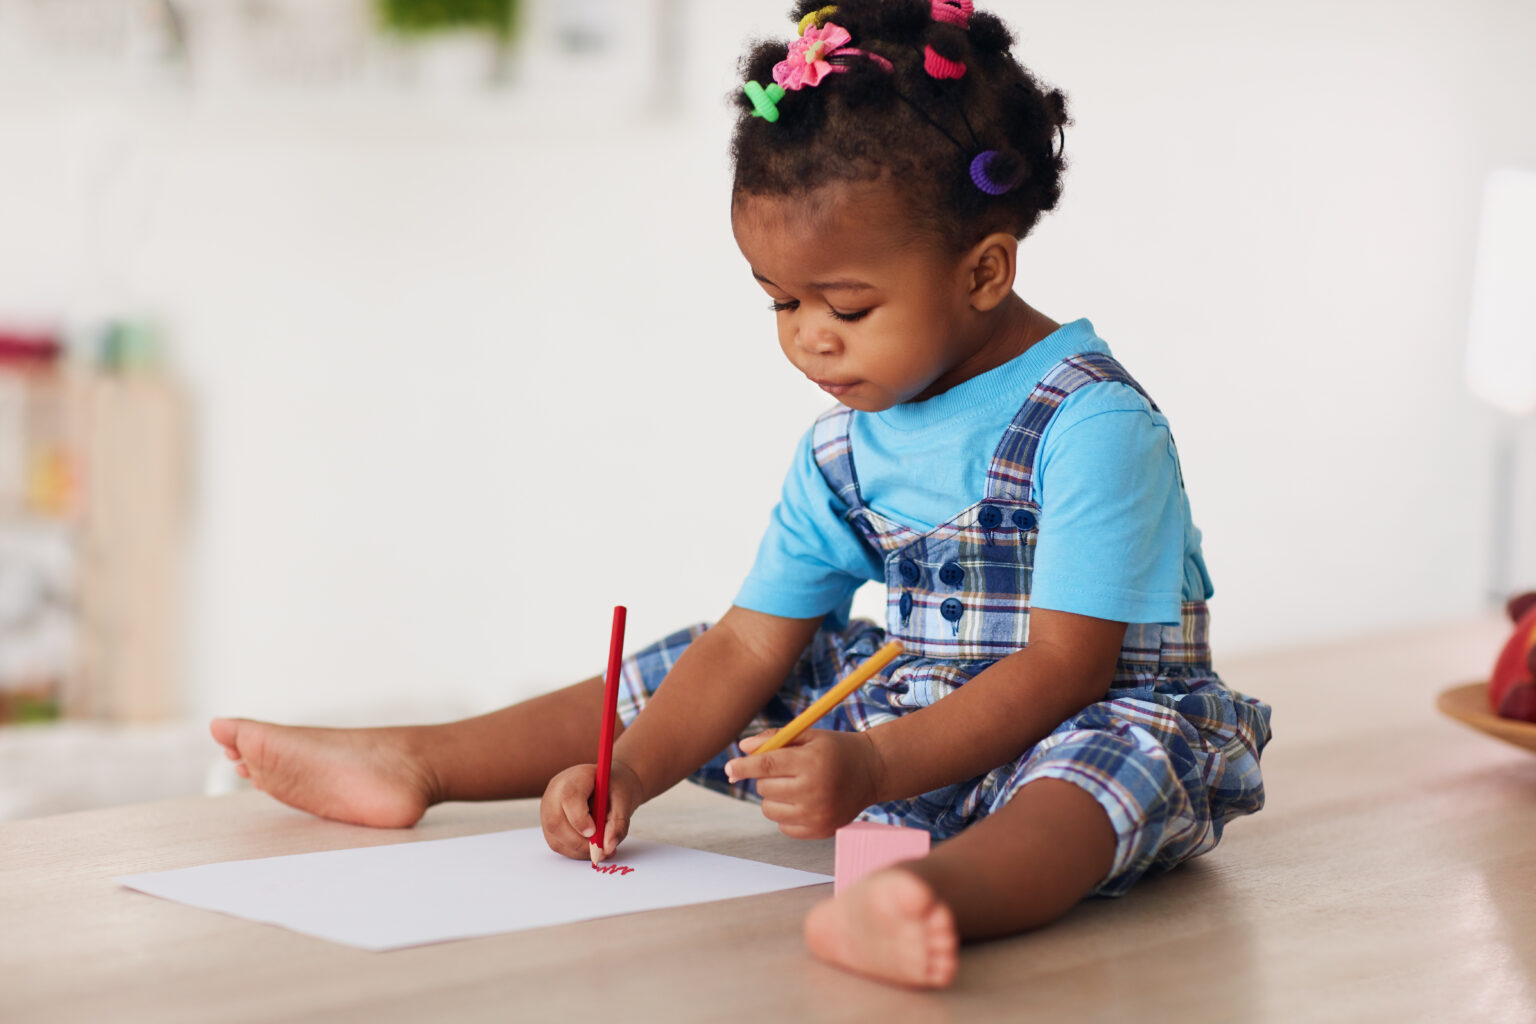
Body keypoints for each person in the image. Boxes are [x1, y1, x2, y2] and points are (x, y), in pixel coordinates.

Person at [210, 0, 1272, 989]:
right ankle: (416, 761)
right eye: (780, 301)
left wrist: (873, 763)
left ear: (984, 272)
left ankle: (922, 895)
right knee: (690, 660)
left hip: (1072, 721)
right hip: (907, 729)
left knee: (1104, 769)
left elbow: (1064, 667)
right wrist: (631, 772)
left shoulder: (1091, 424)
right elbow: (750, 644)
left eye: (847, 306)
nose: (810, 337)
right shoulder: (844, 446)